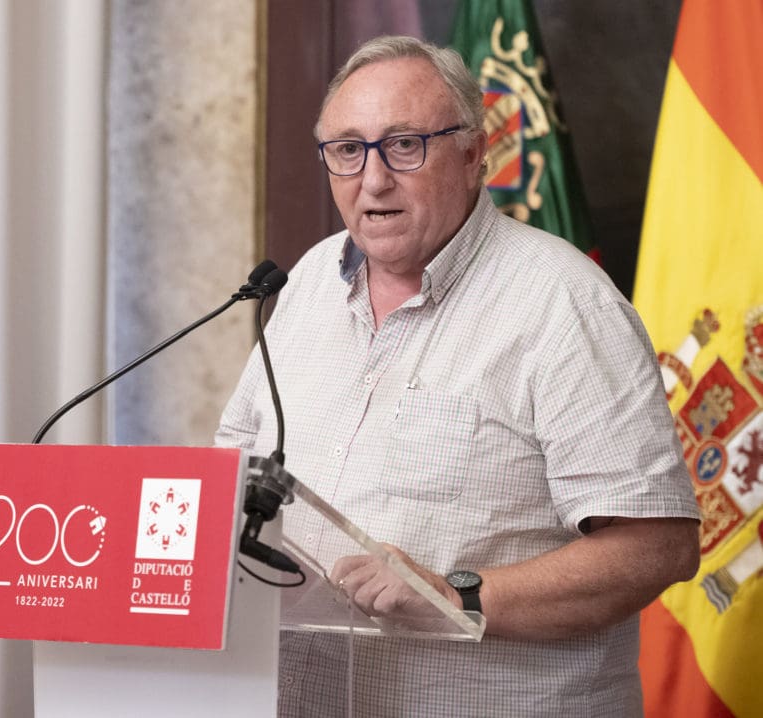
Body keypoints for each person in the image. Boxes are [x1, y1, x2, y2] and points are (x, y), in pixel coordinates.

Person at [215, 35, 701, 717]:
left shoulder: (564, 305)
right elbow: (229, 477)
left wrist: (458, 596)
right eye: (348, 149)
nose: (372, 180)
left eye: (403, 145)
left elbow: (659, 547)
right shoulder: (308, 283)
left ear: (474, 154)